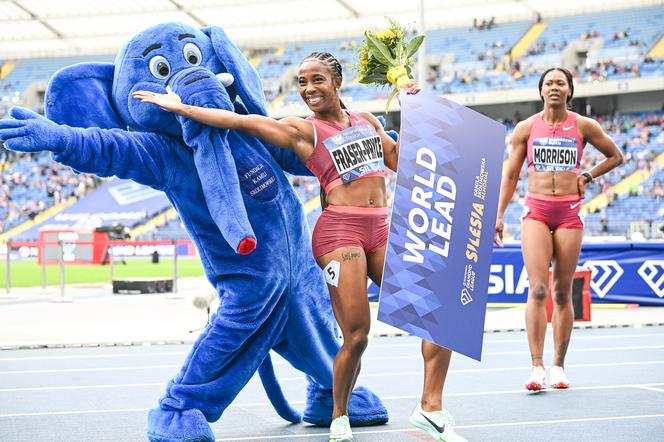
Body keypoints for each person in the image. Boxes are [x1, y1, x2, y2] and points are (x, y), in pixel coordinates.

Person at [134, 51, 465, 442]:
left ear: (337, 81)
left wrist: (414, 108)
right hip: (339, 232)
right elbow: (241, 122)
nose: (309, 89)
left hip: (382, 227)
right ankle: (339, 416)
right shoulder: (302, 130)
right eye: (303, 82)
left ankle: (430, 407)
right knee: (357, 334)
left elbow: (403, 160)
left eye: (317, 80)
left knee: (438, 315)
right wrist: (183, 108)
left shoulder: (369, 122)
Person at [494, 67, 623, 391]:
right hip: (536, 210)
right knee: (538, 289)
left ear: (569, 90)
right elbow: (510, 176)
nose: (554, 87)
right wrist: (497, 214)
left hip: (569, 212)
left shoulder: (583, 125)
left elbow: (615, 156)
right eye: (549, 83)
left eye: (560, 83)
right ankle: (536, 366)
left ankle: (558, 366)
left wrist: (587, 177)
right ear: (541, 91)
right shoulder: (526, 128)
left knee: (563, 292)